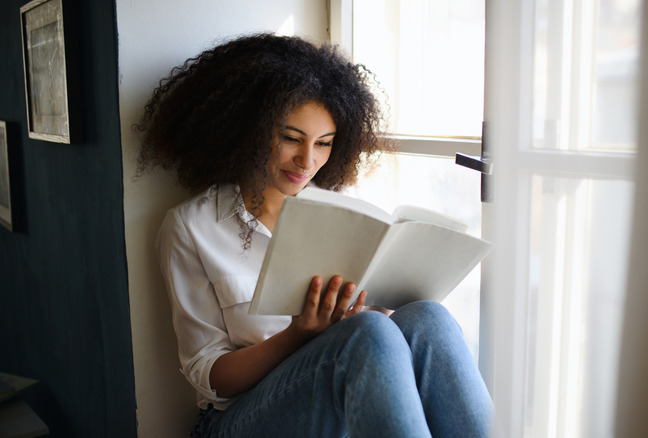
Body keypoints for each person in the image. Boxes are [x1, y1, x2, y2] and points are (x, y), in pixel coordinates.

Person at [135, 33, 492, 437]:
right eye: (291, 138)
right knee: (368, 335)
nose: (308, 161)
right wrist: (299, 333)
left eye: (324, 144)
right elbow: (209, 378)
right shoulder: (191, 227)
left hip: (335, 392)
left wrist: (376, 312)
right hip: (237, 419)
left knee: (428, 317)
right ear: (247, 129)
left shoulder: (340, 217)